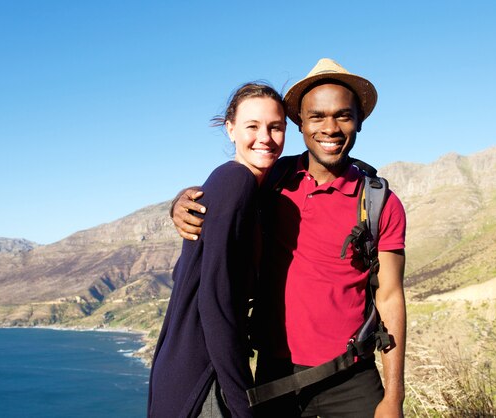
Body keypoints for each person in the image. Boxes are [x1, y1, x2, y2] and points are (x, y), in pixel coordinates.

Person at [171, 59, 407, 418]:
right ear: (300, 123)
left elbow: (390, 297)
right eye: (317, 116)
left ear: (359, 120)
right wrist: (180, 202)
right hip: (274, 379)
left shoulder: (379, 203)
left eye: (343, 115)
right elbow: (225, 200)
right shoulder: (273, 179)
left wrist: (393, 397)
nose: (331, 128)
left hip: (351, 381)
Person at [148, 82, 287, 418]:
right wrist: (242, 401)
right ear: (230, 130)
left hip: (189, 370)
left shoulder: (253, 192)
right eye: (252, 126)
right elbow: (215, 300)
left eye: (276, 127)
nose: (265, 137)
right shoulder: (235, 182)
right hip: (205, 379)